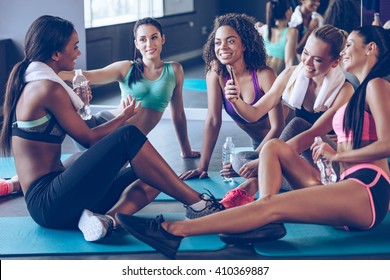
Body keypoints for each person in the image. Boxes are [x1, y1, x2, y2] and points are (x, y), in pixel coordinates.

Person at [116, 25, 390, 259]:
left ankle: (171, 232)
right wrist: (234, 100)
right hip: (345, 187)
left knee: (269, 205)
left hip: (366, 187)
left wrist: (336, 156)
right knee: (272, 148)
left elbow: (387, 144)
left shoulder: (375, 86)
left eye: (351, 44)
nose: (345, 50)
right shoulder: (363, 88)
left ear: (371, 49)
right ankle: (262, 217)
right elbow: (285, 122)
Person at [0, 15, 225, 243]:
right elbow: (89, 139)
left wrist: (83, 105)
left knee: (154, 175)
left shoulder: (38, 82)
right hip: (49, 204)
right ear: (56, 54)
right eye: (75, 47)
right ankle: (199, 203)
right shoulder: (46, 88)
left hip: (63, 196)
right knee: (129, 135)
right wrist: (124, 117)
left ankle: (107, 221)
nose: (78, 53)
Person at [219, 25, 354, 208]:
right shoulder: (291, 74)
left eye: (317, 59)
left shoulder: (345, 90)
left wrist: (263, 161)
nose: (307, 62)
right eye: (305, 53)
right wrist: (235, 100)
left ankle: (251, 185)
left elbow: (311, 134)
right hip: (301, 167)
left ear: (335, 62)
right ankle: (271, 178)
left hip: (333, 168)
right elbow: (255, 113)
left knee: (297, 124)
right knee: (239, 159)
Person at [60, 17, 199, 159]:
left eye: (154, 37)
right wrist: (57, 73)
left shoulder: (175, 70)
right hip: (98, 127)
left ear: (162, 39)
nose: (149, 44)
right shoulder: (126, 68)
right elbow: (91, 75)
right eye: (143, 39)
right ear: (136, 44)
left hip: (124, 141)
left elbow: (179, 115)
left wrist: (186, 150)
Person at [179, 13, 285, 181]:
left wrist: (252, 160)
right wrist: (202, 167)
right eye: (218, 42)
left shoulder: (265, 74)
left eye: (231, 41)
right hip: (260, 144)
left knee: (242, 164)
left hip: (285, 138)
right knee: (240, 162)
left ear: (244, 45)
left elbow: (278, 127)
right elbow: (213, 120)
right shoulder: (216, 73)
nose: (223, 47)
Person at [256, 0, 298, 75]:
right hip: (275, 79)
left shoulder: (264, 29)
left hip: (261, 77)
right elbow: (289, 63)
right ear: (289, 11)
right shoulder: (291, 32)